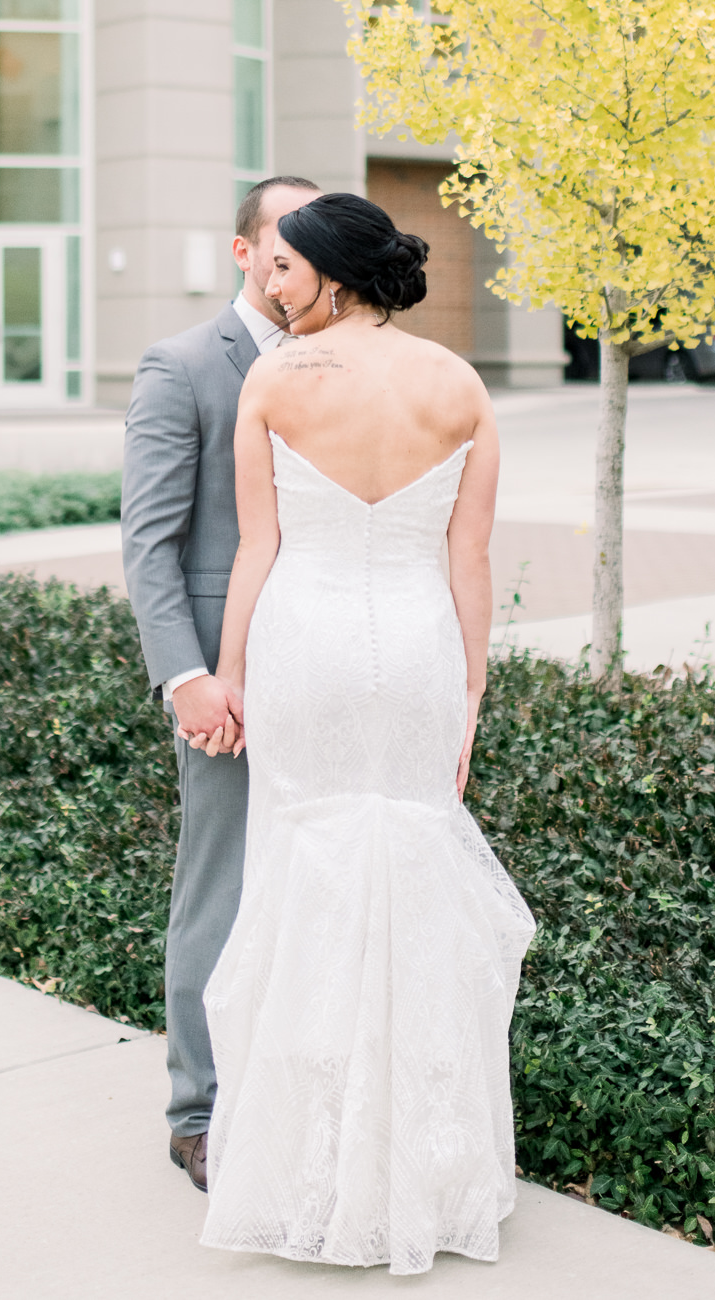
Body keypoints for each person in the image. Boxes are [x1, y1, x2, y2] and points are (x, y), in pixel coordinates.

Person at [191, 192, 535, 1276]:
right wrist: (470, 693)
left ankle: (309, 1165)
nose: (273, 288)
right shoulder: (459, 384)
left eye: (288, 271)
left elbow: (258, 549)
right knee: (412, 877)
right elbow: (467, 563)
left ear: (334, 275)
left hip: (306, 648)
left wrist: (230, 673)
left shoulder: (275, 379)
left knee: (304, 876)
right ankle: (425, 1171)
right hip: (419, 653)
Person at [121, 175, 319, 1193]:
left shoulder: (340, 364)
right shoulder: (184, 366)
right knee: (221, 880)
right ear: (242, 252)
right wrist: (185, 678)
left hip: (323, 659)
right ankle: (195, 1111)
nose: (299, 260)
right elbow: (149, 543)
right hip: (223, 679)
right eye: (283, 242)